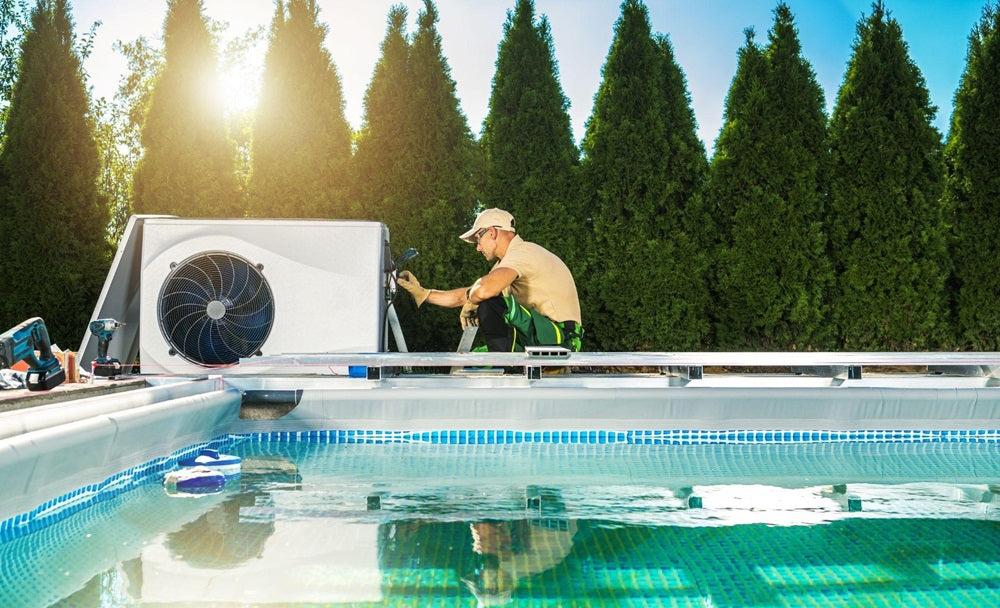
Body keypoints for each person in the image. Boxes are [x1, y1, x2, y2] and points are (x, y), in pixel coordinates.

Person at [396, 208, 583, 352]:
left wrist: (475, 298)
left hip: (562, 339)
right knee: (474, 362)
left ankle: (505, 367)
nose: (478, 248)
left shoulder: (523, 253)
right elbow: (468, 294)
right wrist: (423, 293)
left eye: (478, 239)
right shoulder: (508, 263)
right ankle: (501, 365)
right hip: (542, 336)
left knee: (490, 304)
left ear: (492, 232)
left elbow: (483, 291)